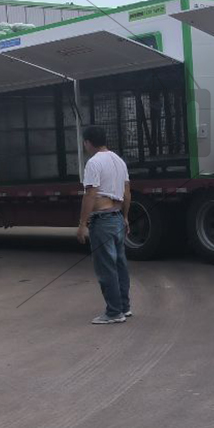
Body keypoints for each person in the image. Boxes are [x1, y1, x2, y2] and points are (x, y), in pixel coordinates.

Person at [76, 126, 132, 325]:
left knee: (106, 267)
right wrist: (125, 217)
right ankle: (124, 307)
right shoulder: (119, 160)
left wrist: (82, 224)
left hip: (103, 220)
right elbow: (127, 192)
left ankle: (114, 312)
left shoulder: (94, 163)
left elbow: (90, 194)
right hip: (117, 216)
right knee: (120, 265)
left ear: (88, 142)